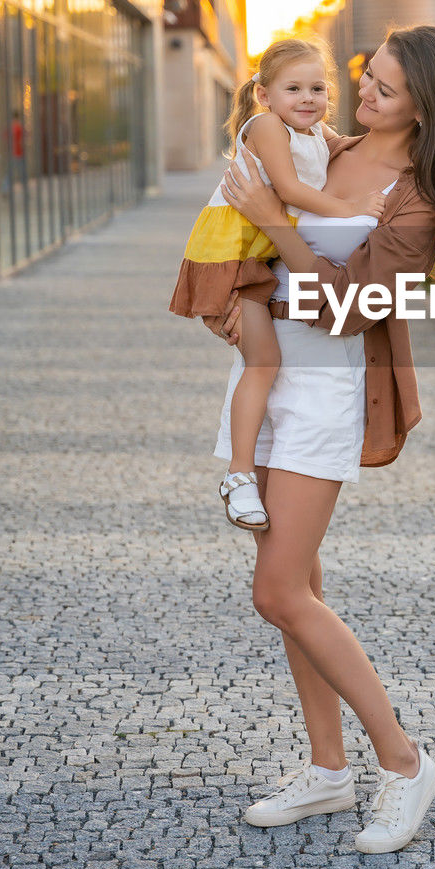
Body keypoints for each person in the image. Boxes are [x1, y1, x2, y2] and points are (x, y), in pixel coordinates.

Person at [214, 24, 435, 854]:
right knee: (297, 587)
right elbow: (254, 228)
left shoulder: (415, 198)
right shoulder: (327, 148)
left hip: (324, 394)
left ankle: (404, 764)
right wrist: (240, 300)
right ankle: (329, 770)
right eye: (364, 78)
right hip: (264, 381)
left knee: (276, 593)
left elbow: (354, 309)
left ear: (425, 106)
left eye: (384, 90)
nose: (361, 96)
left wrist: (273, 217)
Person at [169, 37, 386, 532]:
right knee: (263, 362)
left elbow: (343, 149)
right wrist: (351, 209)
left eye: (318, 88)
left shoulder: (309, 131)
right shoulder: (266, 126)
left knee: (264, 362)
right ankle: (238, 474)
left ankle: (243, 472)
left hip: (254, 260)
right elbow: (288, 191)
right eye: (293, 89)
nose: (308, 98)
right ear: (264, 95)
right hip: (230, 258)